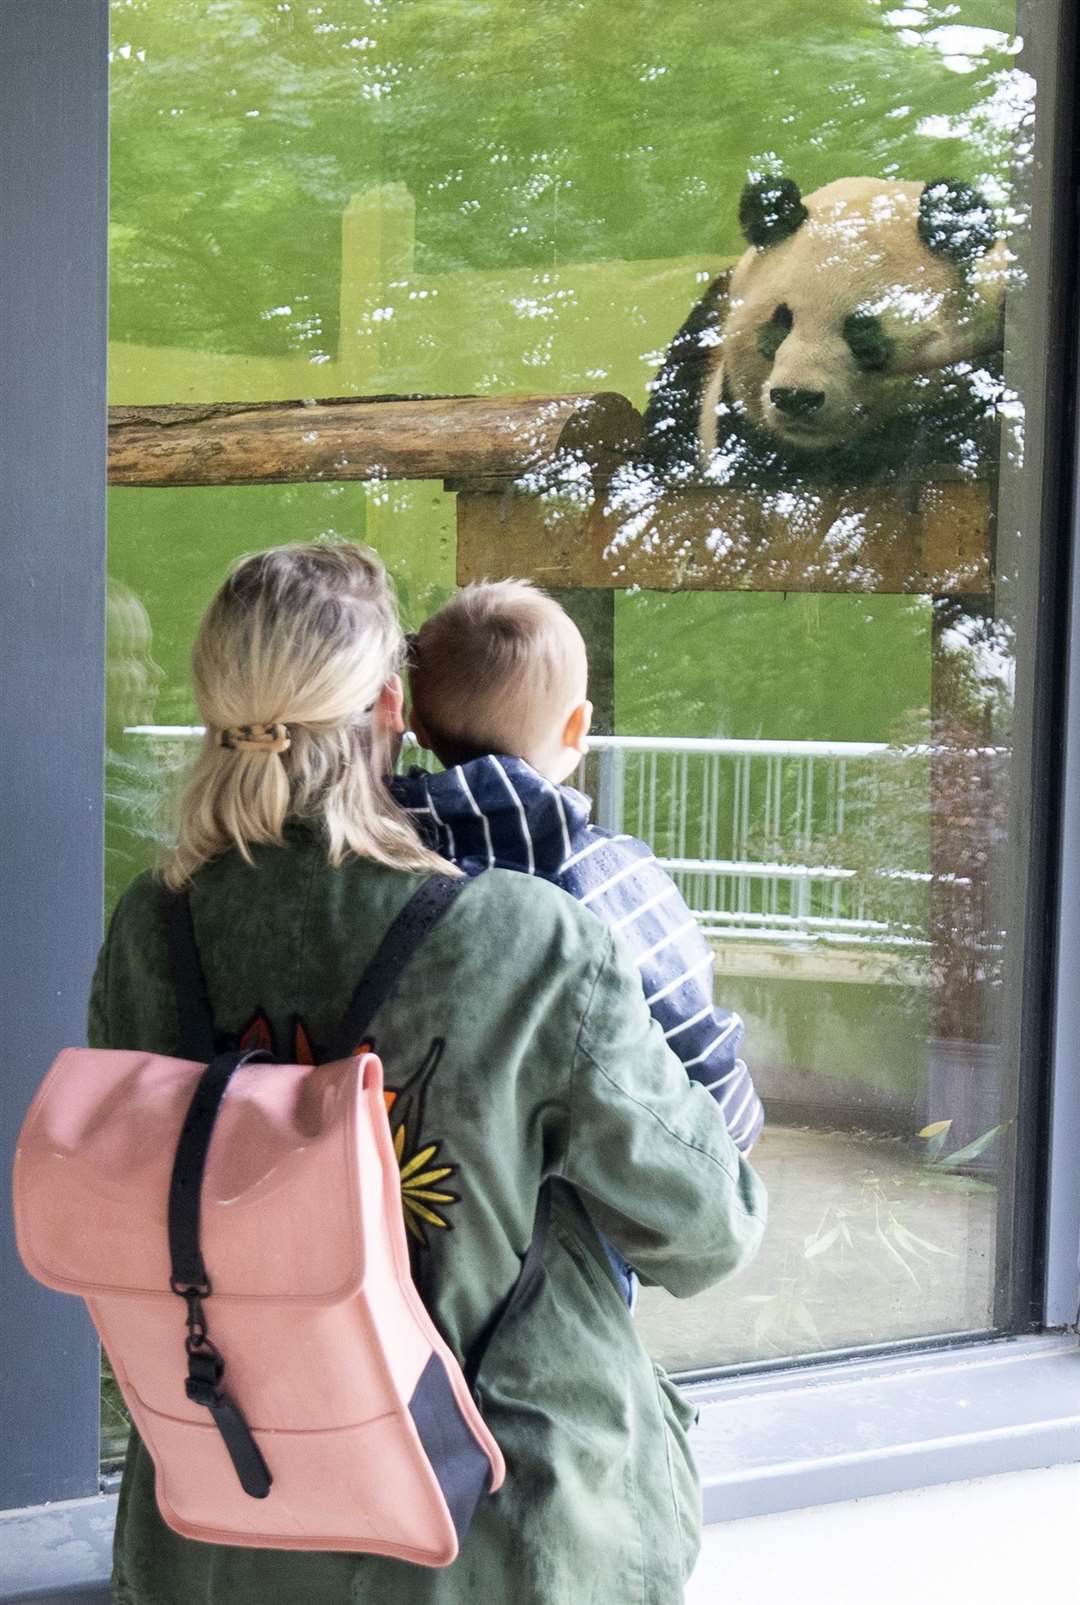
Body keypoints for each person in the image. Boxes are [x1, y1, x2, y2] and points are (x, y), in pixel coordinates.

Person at [90, 542, 767, 1605]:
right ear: (390, 711)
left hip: (220, 1525)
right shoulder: (527, 934)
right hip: (500, 1526)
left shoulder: (153, 925)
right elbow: (704, 1229)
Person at [396, 580, 764, 1303]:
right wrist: (737, 1127)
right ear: (578, 726)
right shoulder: (604, 877)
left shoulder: (385, 854)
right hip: (562, 1230)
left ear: (419, 728)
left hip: (417, 1205)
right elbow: (694, 1034)